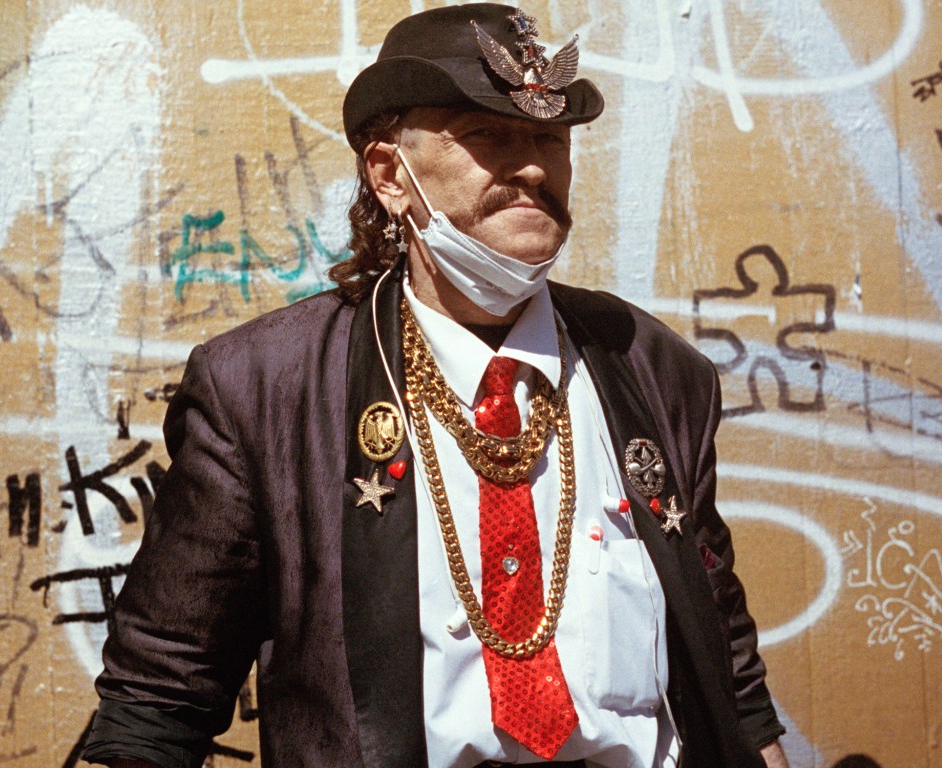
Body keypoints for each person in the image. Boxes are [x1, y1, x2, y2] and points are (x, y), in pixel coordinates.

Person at [82, 4, 789, 767]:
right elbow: (159, 700)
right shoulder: (263, 389)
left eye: (549, 140)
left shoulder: (652, 367)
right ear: (391, 174)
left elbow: (727, 669)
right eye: (486, 135)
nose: (530, 167)